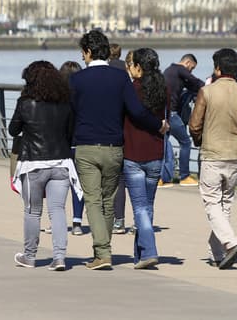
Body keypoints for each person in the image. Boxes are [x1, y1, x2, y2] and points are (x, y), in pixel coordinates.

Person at [69, 30, 168, 270]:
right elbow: (136, 111)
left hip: (85, 146)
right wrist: (159, 125)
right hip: (114, 147)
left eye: (83, 53)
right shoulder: (120, 78)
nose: (82, 57)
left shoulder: (76, 80)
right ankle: (105, 249)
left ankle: (102, 252)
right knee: (108, 199)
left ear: (89, 52)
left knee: (92, 199)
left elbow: (69, 114)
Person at [189, 48, 237, 269]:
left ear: (218, 68)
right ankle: (217, 253)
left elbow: (194, 125)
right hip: (233, 156)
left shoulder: (207, 92)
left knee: (211, 202)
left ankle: (230, 242)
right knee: (225, 204)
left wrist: (200, 139)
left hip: (211, 154)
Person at [9, 60, 81, 271]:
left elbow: (13, 130)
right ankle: (59, 257)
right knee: (57, 210)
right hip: (61, 163)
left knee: (32, 211)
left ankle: (30, 256)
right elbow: (70, 133)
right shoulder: (66, 102)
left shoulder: (25, 102)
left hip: (33, 164)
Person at [123, 48, 169, 269]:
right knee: (147, 206)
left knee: (140, 207)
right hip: (155, 153)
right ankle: (139, 254)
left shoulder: (131, 89)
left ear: (138, 67)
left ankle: (149, 251)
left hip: (133, 153)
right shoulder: (162, 89)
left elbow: (134, 115)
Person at [162, 53, 205, 187]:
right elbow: (196, 82)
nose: (190, 71)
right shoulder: (180, 69)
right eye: (191, 68)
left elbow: (189, 85)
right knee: (185, 142)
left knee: (163, 143)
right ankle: (184, 176)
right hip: (172, 114)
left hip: (163, 112)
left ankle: (161, 177)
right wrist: (210, 89)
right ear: (187, 63)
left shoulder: (169, 70)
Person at [59, 60, 85, 236]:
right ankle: (77, 222)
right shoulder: (85, 94)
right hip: (81, 142)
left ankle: (57, 221)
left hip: (61, 144)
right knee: (79, 184)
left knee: (59, 185)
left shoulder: (58, 96)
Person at [109, 43, 128, 234]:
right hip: (124, 129)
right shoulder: (126, 70)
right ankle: (120, 220)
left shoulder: (104, 70)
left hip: (107, 128)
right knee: (122, 177)